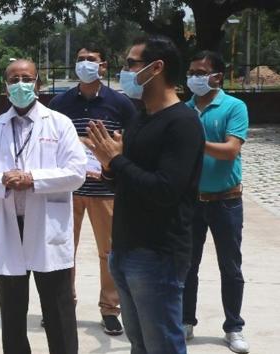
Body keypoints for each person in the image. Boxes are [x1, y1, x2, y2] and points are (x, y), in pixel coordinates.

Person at [85, 36, 205, 354]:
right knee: (139, 344)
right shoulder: (140, 118)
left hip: (158, 254)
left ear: (156, 68)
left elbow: (165, 189)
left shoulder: (183, 123)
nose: (125, 71)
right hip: (124, 248)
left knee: (162, 345)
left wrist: (117, 161)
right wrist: (109, 169)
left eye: (130, 64)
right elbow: (128, 179)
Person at [0, 59, 87, 354]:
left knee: (58, 309)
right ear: (5, 86)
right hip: (9, 226)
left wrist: (32, 179)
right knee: (12, 312)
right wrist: (3, 180)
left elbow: (76, 173)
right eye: (13, 78)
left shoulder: (59, 124)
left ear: (38, 84)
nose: (20, 84)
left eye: (26, 78)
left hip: (47, 227)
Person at [48, 44, 137, 335]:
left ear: (103, 66)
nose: (85, 64)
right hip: (67, 191)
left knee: (109, 253)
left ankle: (110, 310)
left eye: (91, 60)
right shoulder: (59, 103)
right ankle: (63, 306)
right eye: (80, 59)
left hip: (105, 191)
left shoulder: (120, 103)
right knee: (62, 252)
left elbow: (130, 144)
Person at [182, 51, 250, 354]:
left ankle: (234, 327)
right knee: (186, 266)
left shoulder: (234, 107)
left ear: (217, 76)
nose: (194, 77)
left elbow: (230, 150)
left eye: (201, 72)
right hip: (191, 201)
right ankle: (185, 321)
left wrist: (196, 143)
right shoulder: (183, 109)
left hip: (226, 201)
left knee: (230, 267)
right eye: (192, 72)